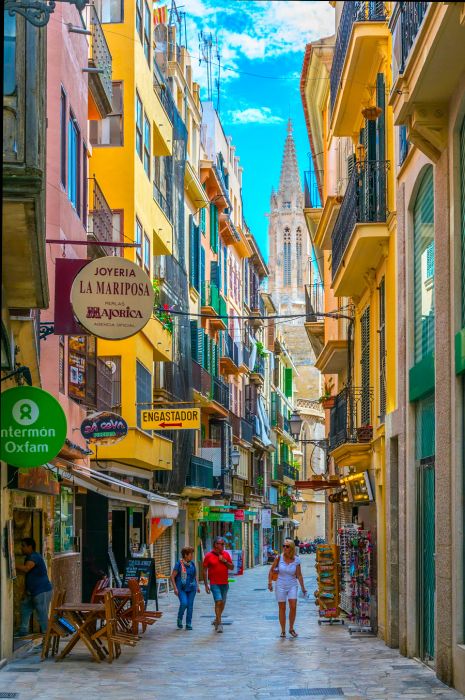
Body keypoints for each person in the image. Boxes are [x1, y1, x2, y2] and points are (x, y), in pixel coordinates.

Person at [268, 538, 307, 638]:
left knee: (293, 606)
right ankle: (283, 630)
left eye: (287, 546)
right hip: (280, 584)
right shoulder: (278, 558)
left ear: (292, 548)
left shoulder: (296, 559)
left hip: (292, 584)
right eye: (283, 546)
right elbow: (272, 570)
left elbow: (299, 575)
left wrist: (303, 587)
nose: (285, 548)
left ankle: (291, 628)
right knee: (282, 607)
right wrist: (270, 583)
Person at [15, 538, 53, 637]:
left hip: (42, 591)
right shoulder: (28, 557)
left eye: (23, 546)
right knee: (25, 606)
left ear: (30, 546)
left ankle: (46, 637)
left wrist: (12, 565)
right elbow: (28, 576)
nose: (21, 548)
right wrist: (25, 591)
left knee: (42, 615)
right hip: (32, 592)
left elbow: (27, 569)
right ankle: (23, 630)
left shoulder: (34, 556)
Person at [203, 536, 234, 633]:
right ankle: (220, 624)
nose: (224, 546)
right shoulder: (208, 556)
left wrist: (224, 561)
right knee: (218, 601)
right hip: (214, 583)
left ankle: (217, 619)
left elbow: (232, 567)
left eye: (224, 544)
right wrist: (206, 584)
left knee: (223, 603)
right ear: (216, 545)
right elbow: (204, 570)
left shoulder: (226, 555)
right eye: (222, 544)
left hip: (224, 583)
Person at [170, 546, 200, 630]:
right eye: (190, 554)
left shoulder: (192, 564)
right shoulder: (179, 564)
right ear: (185, 555)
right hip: (181, 588)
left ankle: (188, 623)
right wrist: (175, 588)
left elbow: (195, 576)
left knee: (190, 605)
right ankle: (180, 618)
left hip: (192, 588)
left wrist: (197, 586)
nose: (192, 556)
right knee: (184, 603)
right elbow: (172, 577)